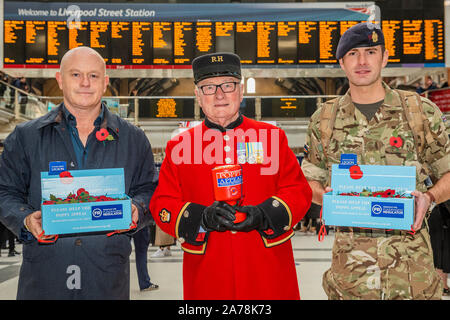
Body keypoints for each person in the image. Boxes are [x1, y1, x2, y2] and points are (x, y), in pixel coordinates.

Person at [301, 22, 450, 300]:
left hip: (411, 273)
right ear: (341, 63)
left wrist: (429, 197)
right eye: (353, 54)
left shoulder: (419, 111)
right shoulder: (324, 119)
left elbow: (448, 172)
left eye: (370, 51)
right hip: (351, 276)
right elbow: (309, 180)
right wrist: (329, 198)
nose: (362, 61)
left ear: (385, 57)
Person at [149, 52, 312, 300]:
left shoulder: (272, 138)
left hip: (268, 271)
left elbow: (299, 191)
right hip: (208, 275)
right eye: (208, 87)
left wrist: (265, 214)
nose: (219, 94)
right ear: (197, 95)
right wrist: (200, 218)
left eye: (228, 85)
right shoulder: (179, 146)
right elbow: (162, 203)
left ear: (241, 89)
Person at [0, 46, 157, 300]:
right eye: (75, 75)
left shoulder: (134, 139)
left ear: (105, 82)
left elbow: (150, 190)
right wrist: (26, 220)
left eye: (94, 76)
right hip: (43, 280)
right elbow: (5, 192)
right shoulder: (25, 137)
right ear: (60, 80)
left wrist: (138, 209)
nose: (85, 83)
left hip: (107, 280)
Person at [132, 226, 159, 291]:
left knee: (121, 253)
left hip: (122, 221)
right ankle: (144, 283)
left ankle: (117, 284)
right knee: (141, 252)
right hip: (140, 223)